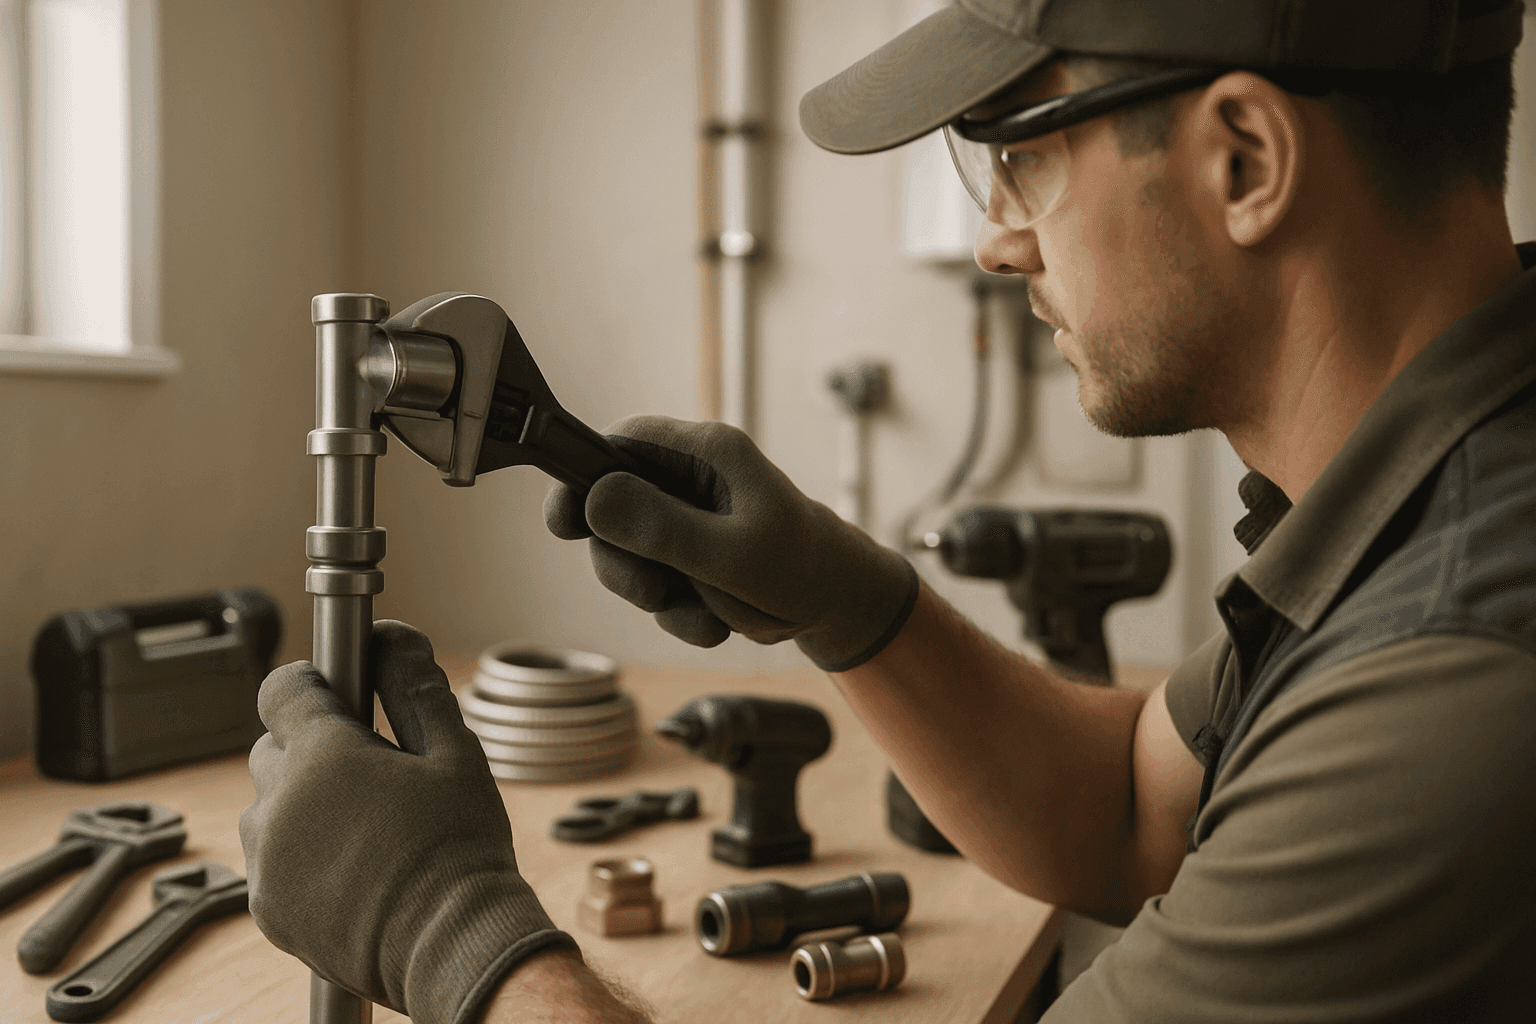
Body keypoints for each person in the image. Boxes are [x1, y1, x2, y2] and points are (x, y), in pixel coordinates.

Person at [240, 0, 1536, 1021]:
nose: (998, 240)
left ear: (1244, 158)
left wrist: (453, 933)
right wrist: (841, 596)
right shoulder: (1429, 488)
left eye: (1021, 153)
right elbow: (1136, 807)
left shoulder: (1455, 678)